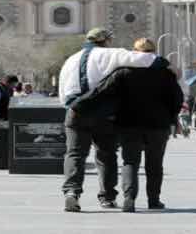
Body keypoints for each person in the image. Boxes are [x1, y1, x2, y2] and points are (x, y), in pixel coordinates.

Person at [60, 28, 163, 212]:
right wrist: (165, 64)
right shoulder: (111, 54)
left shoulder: (71, 59)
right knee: (106, 154)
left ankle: (71, 193)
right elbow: (145, 58)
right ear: (106, 41)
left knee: (74, 153)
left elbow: (62, 90)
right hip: (103, 112)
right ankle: (107, 197)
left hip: (75, 110)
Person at [87, 38, 181, 212]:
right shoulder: (165, 74)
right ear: (153, 53)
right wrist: (172, 117)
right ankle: (154, 200)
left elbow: (103, 92)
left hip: (128, 124)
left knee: (130, 161)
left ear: (134, 53)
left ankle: (129, 198)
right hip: (158, 125)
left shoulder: (122, 72)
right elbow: (176, 99)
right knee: (155, 163)